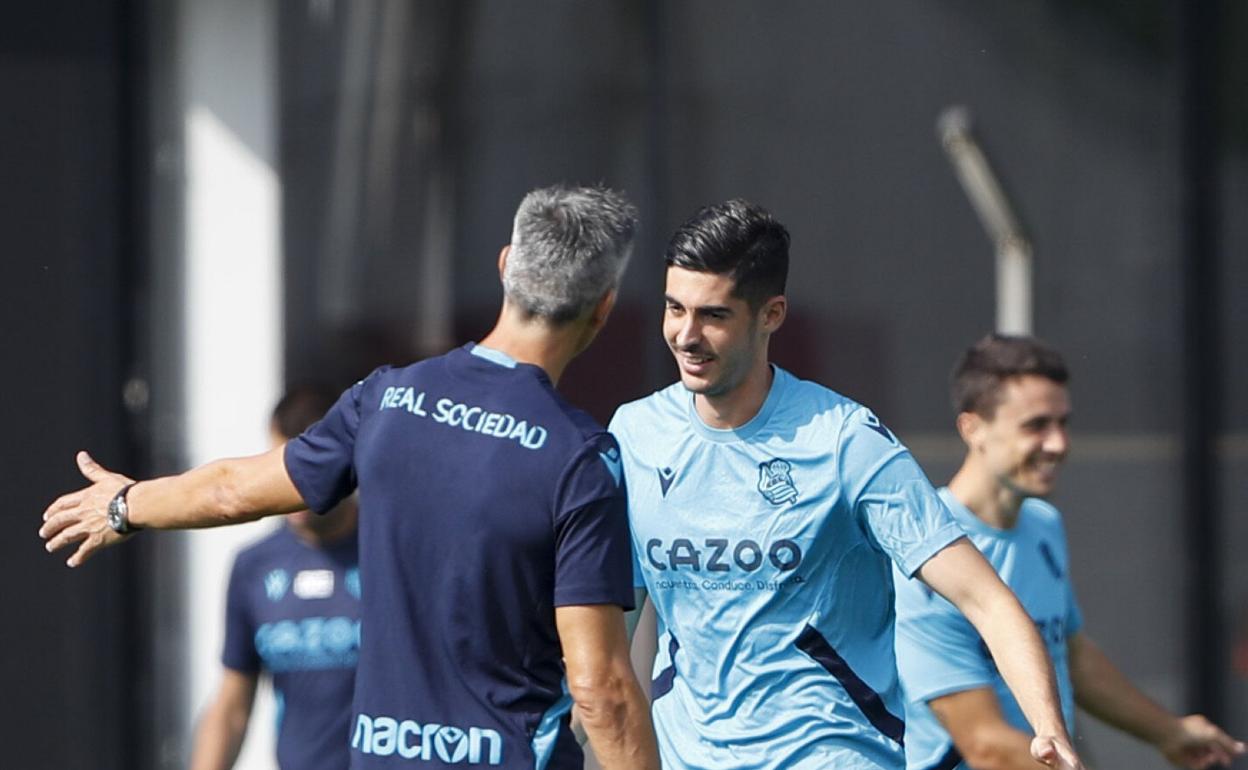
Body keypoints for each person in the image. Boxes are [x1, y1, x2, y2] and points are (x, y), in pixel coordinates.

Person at [41, 184, 660, 770]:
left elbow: (234, 487)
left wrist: (125, 504)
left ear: (505, 265)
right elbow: (599, 688)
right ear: (604, 307)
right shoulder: (580, 457)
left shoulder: (386, 400)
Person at [609, 199, 1084, 770]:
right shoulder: (634, 433)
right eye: (673, 308)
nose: (686, 335)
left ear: (771, 314)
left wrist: (1049, 729)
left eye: (714, 315)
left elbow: (987, 599)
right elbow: (622, 627)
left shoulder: (844, 441)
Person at [893, 334, 1246, 770]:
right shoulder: (926, 554)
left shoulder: (1043, 524)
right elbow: (984, 745)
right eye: (1035, 425)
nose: (1058, 443)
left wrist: (1168, 731)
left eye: (1063, 422)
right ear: (973, 428)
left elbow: (1070, 653)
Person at [189, 385, 360, 770]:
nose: (292, 485)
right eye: (282, 468)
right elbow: (232, 704)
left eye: (306, 470)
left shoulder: (393, 553)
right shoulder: (255, 566)